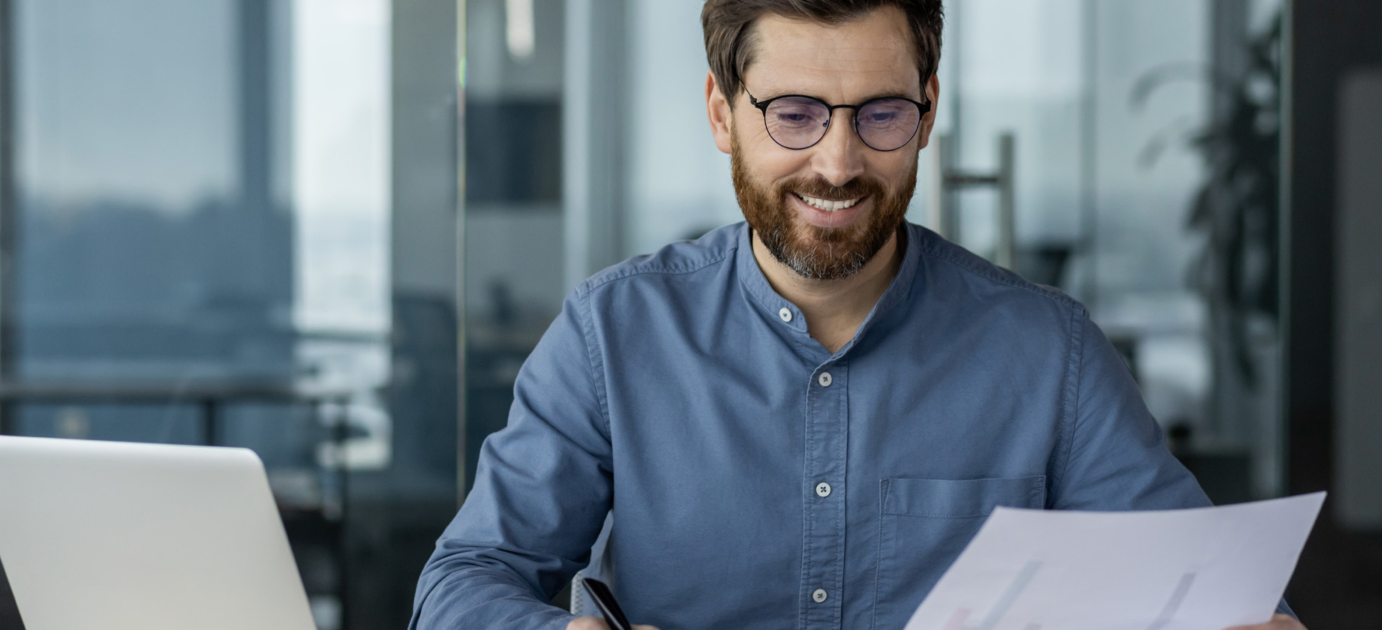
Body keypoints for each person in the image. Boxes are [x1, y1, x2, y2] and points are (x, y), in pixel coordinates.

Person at [410, 1, 1306, 629]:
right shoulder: (612, 336)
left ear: (927, 113)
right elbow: (463, 583)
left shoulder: (1049, 355)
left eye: (880, 114)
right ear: (723, 113)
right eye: (794, 114)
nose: (838, 162)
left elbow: (1207, 594)